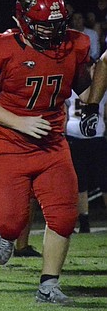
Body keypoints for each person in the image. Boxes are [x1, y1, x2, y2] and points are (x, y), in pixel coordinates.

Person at [0, 0, 106, 305]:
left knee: (63, 216)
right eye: (45, 24)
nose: (54, 31)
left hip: (51, 144)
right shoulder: (0, 48)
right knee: (11, 222)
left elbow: (87, 95)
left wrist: (105, 66)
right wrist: (20, 122)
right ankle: (4, 235)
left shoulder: (74, 45)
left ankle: (48, 285)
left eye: (59, 23)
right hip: (8, 145)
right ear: (24, 21)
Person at [66, 82, 107, 233]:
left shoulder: (72, 90)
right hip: (78, 138)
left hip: (91, 138)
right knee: (80, 182)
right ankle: (84, 222)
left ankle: (84, 223)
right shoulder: (72, 90)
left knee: (101, 181)